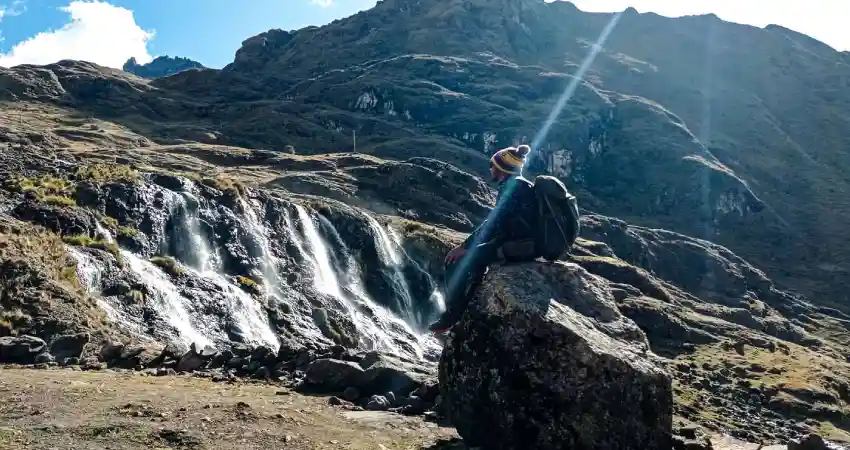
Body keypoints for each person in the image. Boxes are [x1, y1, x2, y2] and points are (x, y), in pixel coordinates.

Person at [428, 144, 542, 333]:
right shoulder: (520, 184)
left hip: (517, 246)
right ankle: (463, 309)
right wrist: (470, 245)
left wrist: (465, 248)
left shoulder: (513, 187)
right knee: (477, 263)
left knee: (457, 262)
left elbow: (494, 223)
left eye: (493, 165)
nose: (490, 169)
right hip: (524, 244)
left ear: (502, 168)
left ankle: (450, 316)